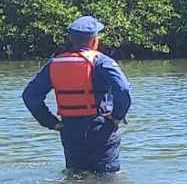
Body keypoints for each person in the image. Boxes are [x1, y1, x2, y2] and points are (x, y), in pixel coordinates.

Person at [22, 16, 132, 173]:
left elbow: (30, 96)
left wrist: (51, 122)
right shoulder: (101, 61)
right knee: (107, 181)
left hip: (70, 130)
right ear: (94, 40)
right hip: (100, 128)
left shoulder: (54, 64)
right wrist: (117, 116)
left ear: (71, 39)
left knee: (75, 177)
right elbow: (123, 89)